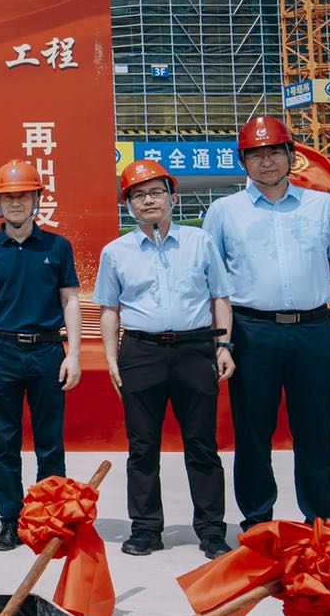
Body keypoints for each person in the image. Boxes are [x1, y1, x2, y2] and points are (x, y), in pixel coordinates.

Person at [203, 114, 330, 525]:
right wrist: (220, 341)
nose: (266, 162)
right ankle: (257, 521)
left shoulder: (324, 206)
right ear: (243, 161)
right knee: (252, 431)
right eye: (255, 155)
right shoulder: (224, 212)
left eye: (274, 152)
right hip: (251, 331)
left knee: (316, 432)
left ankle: (321, 521)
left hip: (314, 330)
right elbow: (211, 282)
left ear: (291, 156)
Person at [95, 159, 234, 559]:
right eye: (138, 195)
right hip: (141, 352)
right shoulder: (115, 252)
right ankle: (145, 528)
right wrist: (112, 359)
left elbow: (220, 297)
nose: (148, 200)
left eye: (156, 192)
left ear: (172, 197)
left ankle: (211, 530)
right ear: (128, 204)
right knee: (142, 446)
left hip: (195, 350)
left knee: (202, 444)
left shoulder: (199, 242)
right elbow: (109, 309)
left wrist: (225, 346)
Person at [0, 159, 82, 551]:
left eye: (23, 196)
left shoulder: (57, 247)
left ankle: (51, 519)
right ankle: (10, 521)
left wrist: (73, 354)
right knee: (7, 443)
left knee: (50, 442)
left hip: (48, 350)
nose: (16, 203)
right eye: (8, 197)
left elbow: (70, 300)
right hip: (1, 351)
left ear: (37, 199)